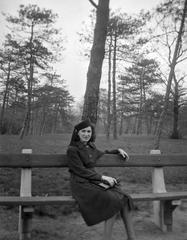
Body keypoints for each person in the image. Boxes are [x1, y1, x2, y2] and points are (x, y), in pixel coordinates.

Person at [66, 118, 136, 240]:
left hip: (92, 181)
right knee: (112, 201)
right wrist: (103, 177)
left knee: (125, 197)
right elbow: (80, 171)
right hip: (80, 184)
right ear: (77, 133)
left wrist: (117, 150)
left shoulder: (91, 147)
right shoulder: (72, 149)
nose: (86, 134)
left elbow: (103, 153)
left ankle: (131, 237)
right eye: (83, 131)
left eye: (89, 132)